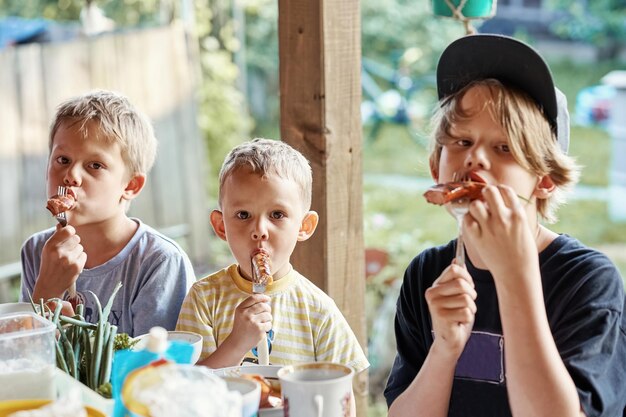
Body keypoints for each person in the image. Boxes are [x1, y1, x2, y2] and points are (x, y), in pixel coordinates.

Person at [385, 34, 626, 417]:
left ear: (545, 179)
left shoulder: (586, 280)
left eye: (504, 148)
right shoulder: (427, 274)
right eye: (462, 141)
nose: (475, 159)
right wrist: (444, 349)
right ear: (437, 169)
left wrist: (515, 274)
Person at [176, 138, 369, 374]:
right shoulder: (203, 299)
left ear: (304, 226)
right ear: (221, 226)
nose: (259, 230)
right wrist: (237, 343)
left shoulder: (318, 311)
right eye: (243, 214)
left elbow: (343, 400)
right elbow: (185, 389)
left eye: (277, 214)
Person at [20, 90, 195, 337]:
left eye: (95, 165)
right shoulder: (36, 251)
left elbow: (154, 367)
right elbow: (26, 359)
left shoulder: (159, 262)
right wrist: (46, 292)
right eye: (63, 159)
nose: (71, 176)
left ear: (130, 186)